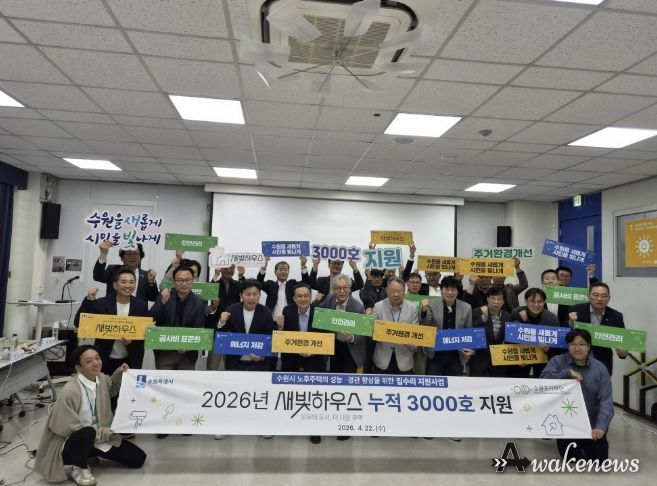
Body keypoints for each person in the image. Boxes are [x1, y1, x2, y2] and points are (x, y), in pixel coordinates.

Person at [35, 345, 146, 485]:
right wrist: (102, 434)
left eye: (97, 358)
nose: (96, 363)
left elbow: (111, 388)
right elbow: (66, 428)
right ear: (78, 368)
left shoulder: (101, 378)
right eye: (89, 361)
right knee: (86, 433)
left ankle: (89, 453)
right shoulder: (70, 390)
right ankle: (78, 467)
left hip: (98, 438)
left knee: (137, 459)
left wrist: (119, 373)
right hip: (72, 442)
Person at [540, 329, 613, 461]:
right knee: (572, 459)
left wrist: (600, 427)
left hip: (591, 423)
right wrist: (567, 373)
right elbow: (543, 381)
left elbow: (606, 401)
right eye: (572, 344)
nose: (577, 348)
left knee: (600, 459)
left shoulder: (600, 368)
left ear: (589, 347)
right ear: (568, 346)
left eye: (582, 344)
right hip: (566, 424)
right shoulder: (557, 361)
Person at [74, 268, 150, 374]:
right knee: (104, 384)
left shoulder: (141, 305)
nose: (128, 285)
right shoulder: (102, 303)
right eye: (124, 282)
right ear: (115, 285)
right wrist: (89, 300)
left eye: (131, 282)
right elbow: (79, 323)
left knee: (127, 384)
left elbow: (144, 332)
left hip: (131, 358)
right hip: (104, 357)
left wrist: (132, 340)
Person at [277, 283, 324, 445]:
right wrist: (280, 327)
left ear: (311, 297)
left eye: (306, 296)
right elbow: (283, 337)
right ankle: (290, 424)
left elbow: (327, 338)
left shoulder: (320, 312)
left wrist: (313, 351)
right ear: (294, 298)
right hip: (292, 357)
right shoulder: (287, 311)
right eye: (299, 296)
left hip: (314, 358)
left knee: (314, 394)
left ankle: (314, 428)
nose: (303, 299)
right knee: (290, 393)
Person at [149, 265, 207, 372]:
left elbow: (197, 329)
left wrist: (188, 346)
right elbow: (150, 318)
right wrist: (162, 302)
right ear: (173, 281)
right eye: (180, 280)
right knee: (165, 381)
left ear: (193, 281)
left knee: (184, 382)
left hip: (187, 354)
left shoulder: (199, 302)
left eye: (187, 280)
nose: (184, 283)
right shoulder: (165, 295)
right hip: (164, 351)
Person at [218, 279, 277, 372]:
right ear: (241, 295)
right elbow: (221, 336)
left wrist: (261, 356)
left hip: (258, 364)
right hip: (234, 362)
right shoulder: (231, 310)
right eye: (248, 294)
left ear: (260, 295)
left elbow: (270, 338)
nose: (251, 298)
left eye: (255, 294)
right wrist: (221, 322)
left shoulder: (266, 313)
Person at [568, 282, 627, 376]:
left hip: (603, 360)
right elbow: (566, 335)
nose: (599, 299)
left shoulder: (616, 316)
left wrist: (623, 352)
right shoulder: (576, 310)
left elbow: (622, 341)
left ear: (609, 298)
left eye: (604, 296)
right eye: (595, 295)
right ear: (588, 296)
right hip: (576, 357)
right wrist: (571, 324)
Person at [420, 276, 473, 376]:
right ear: (441, 290)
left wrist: (469, 349)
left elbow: (469, 330)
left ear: (457, 291)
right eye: (447, 289)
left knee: (455, 384)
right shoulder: (432, 305)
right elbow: (426, 325)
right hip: (436, 354)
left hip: (457, 354)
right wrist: (424, 311)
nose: (450, 293)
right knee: (435, 383)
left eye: (453, 289)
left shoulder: (466, 307)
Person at [320, 275, 367, 375]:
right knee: (334, 375)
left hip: (350, 347)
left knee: (347, 377)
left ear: (350, 289)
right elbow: (319, 313)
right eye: (338, 288)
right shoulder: (330, 299)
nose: (342, 291)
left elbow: (362, 333)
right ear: (333, 290)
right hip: (334, 344)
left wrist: (352, 337)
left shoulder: (358, 307)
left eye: (345, 287)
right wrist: (316, 301)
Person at [370, 277, 417, 375]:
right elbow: (373, 331)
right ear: (387, 291)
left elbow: (415, 332)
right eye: (392, 291)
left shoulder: (412, 308)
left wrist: (414, 343)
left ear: (404, 292)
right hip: (382, 360)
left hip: (405, 360)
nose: (396, 294)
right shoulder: (378, 306)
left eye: (399, 291)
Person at [509, 288, 560, 378]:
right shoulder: (516, 313)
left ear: (544, 302)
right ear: (526, 301)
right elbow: (511, 338)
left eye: (540, 302)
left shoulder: (552, 319)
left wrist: (548, 349)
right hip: (521, 356)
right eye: (532, 301)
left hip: (542, 357)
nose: (536, 305)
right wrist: (524, 322)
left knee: (543, 377)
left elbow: (557, 347)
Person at [205, 264, 244, 370]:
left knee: (232, 366)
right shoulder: (215, 283)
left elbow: (246, 290)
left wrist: (241, 276)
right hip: (216, 328)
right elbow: (207, 291)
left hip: (233, 328)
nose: (229, 271)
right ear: (221, 269)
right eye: (226, 268)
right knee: (212, 366)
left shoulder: (237, 284)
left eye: (231, 268)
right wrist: (215, 276)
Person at [469, 286, 514, 377]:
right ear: (487, 299)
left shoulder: (508, 317)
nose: (496, 302)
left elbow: (509, 339)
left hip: (499, 363)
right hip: (479, 361)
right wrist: (484, 318)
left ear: (503, 301)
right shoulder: (476, 312)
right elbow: (472, 333)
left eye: (499, 299)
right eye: (493, 298)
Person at [93, 241, 158, 301]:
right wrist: (103, 254)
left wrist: (151, 282)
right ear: (122, 258)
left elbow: (153, 298)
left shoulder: (147, 275)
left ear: (140, 257)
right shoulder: (113, 269)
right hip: (113, 308)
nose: (132, 257)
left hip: (137, 309)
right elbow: (98, 277)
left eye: (135, 254)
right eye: (129, 254)